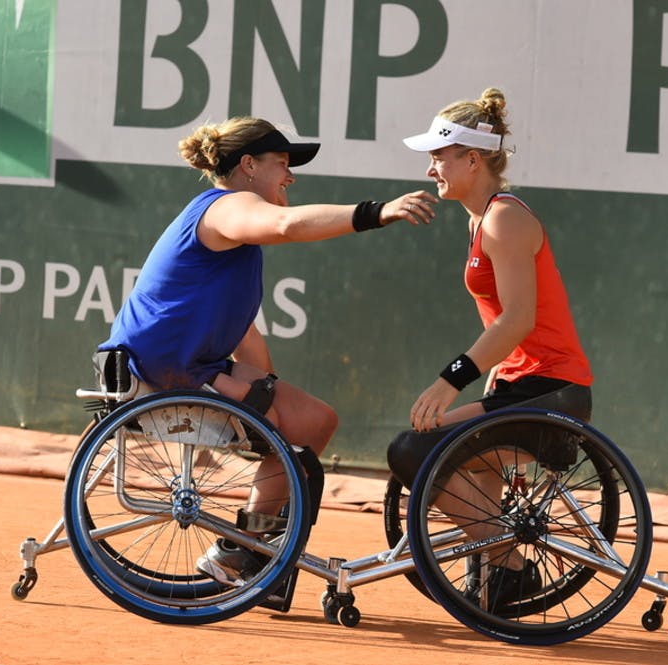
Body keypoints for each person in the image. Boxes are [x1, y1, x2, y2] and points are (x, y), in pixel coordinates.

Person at [99, 116, 436, 586]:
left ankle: (243, 548)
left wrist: (269, 392)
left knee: (315, 422)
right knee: (279, 427)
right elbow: (286, 223)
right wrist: (376, 212)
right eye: (282, 163)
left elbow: (244, 334)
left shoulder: (235, 236)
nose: (291, 175)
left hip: (196, 364)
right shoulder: (226, 207)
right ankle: (245, 552)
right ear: (249, 165)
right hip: (164, 366)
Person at [387, 88, 593, 610]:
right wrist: (494, 381)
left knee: (411, 451)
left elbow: (519, 319)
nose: (431, 168)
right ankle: (503, 574)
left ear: (472, 159)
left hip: (554, 392)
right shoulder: (481, 219)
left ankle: (509, 565)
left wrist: (450, 379)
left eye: (439, 156)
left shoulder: (505, 219)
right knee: (464, 463)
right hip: (524, 384)